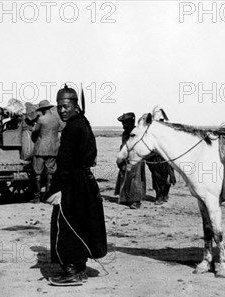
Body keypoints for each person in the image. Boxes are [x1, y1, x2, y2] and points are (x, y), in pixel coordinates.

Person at [42, 85, 107, 286]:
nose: (62, 110)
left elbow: (66, 163)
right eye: (59, 106)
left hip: (73, 183)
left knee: (66, 226)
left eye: (66, 106)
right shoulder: (83, 123)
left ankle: (72, 271)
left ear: (75, 105)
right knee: (81, 224)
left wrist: (54, 189)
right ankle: (79, 268)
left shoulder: (72, 127)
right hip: (85, 182)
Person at [30, 100, 64, 203]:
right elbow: (61, 129)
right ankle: (48, 196)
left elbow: (35, 132)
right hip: (53, 148)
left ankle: (37, 197)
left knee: (38, 173)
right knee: (50, 172)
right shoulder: (57, 119)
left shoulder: (41, 119)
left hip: (41, 148)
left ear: (42, 110)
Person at [115, 112, 146, 209]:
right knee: (125, 178)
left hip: (136, 159)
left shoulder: (137, 133)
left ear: (131, 122)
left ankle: (136, 201)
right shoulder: (125, 134)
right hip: (125, 159)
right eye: (123, 124)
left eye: (125, 123)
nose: (123, 126)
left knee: (135, 180)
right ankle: (127, 199)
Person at [146, 115, 176, 205]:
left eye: (162, 121)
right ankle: (159, 196)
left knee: (168, 179)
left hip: (166, 158)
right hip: (155, 159)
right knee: (156, 178)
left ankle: (165, 194)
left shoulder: (168, 133)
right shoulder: (150, 133)